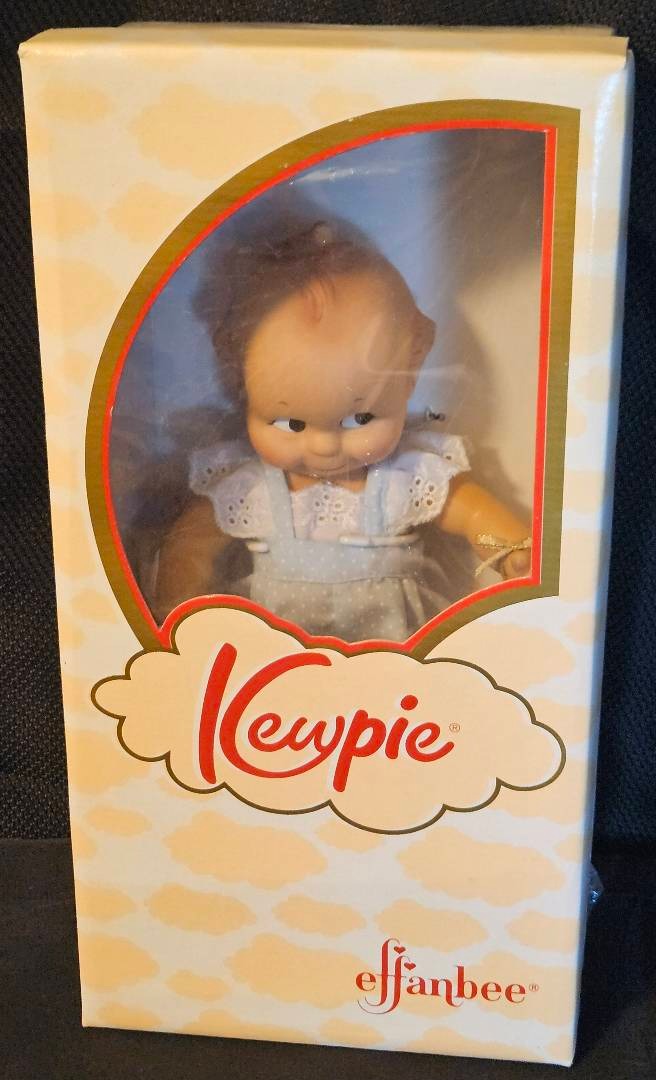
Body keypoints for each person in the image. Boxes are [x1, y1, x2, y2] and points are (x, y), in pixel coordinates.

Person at [153, 221, 531, 640]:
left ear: (408, 382)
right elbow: (191, 543)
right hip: (277, 659)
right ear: (243, 391)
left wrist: (511, 549)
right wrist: (177, 602)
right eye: (290, 424)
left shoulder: (402, 476)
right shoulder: (249, 488)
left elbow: (470, 510)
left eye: (359, 420)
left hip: (393, 651)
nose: (323, 445)